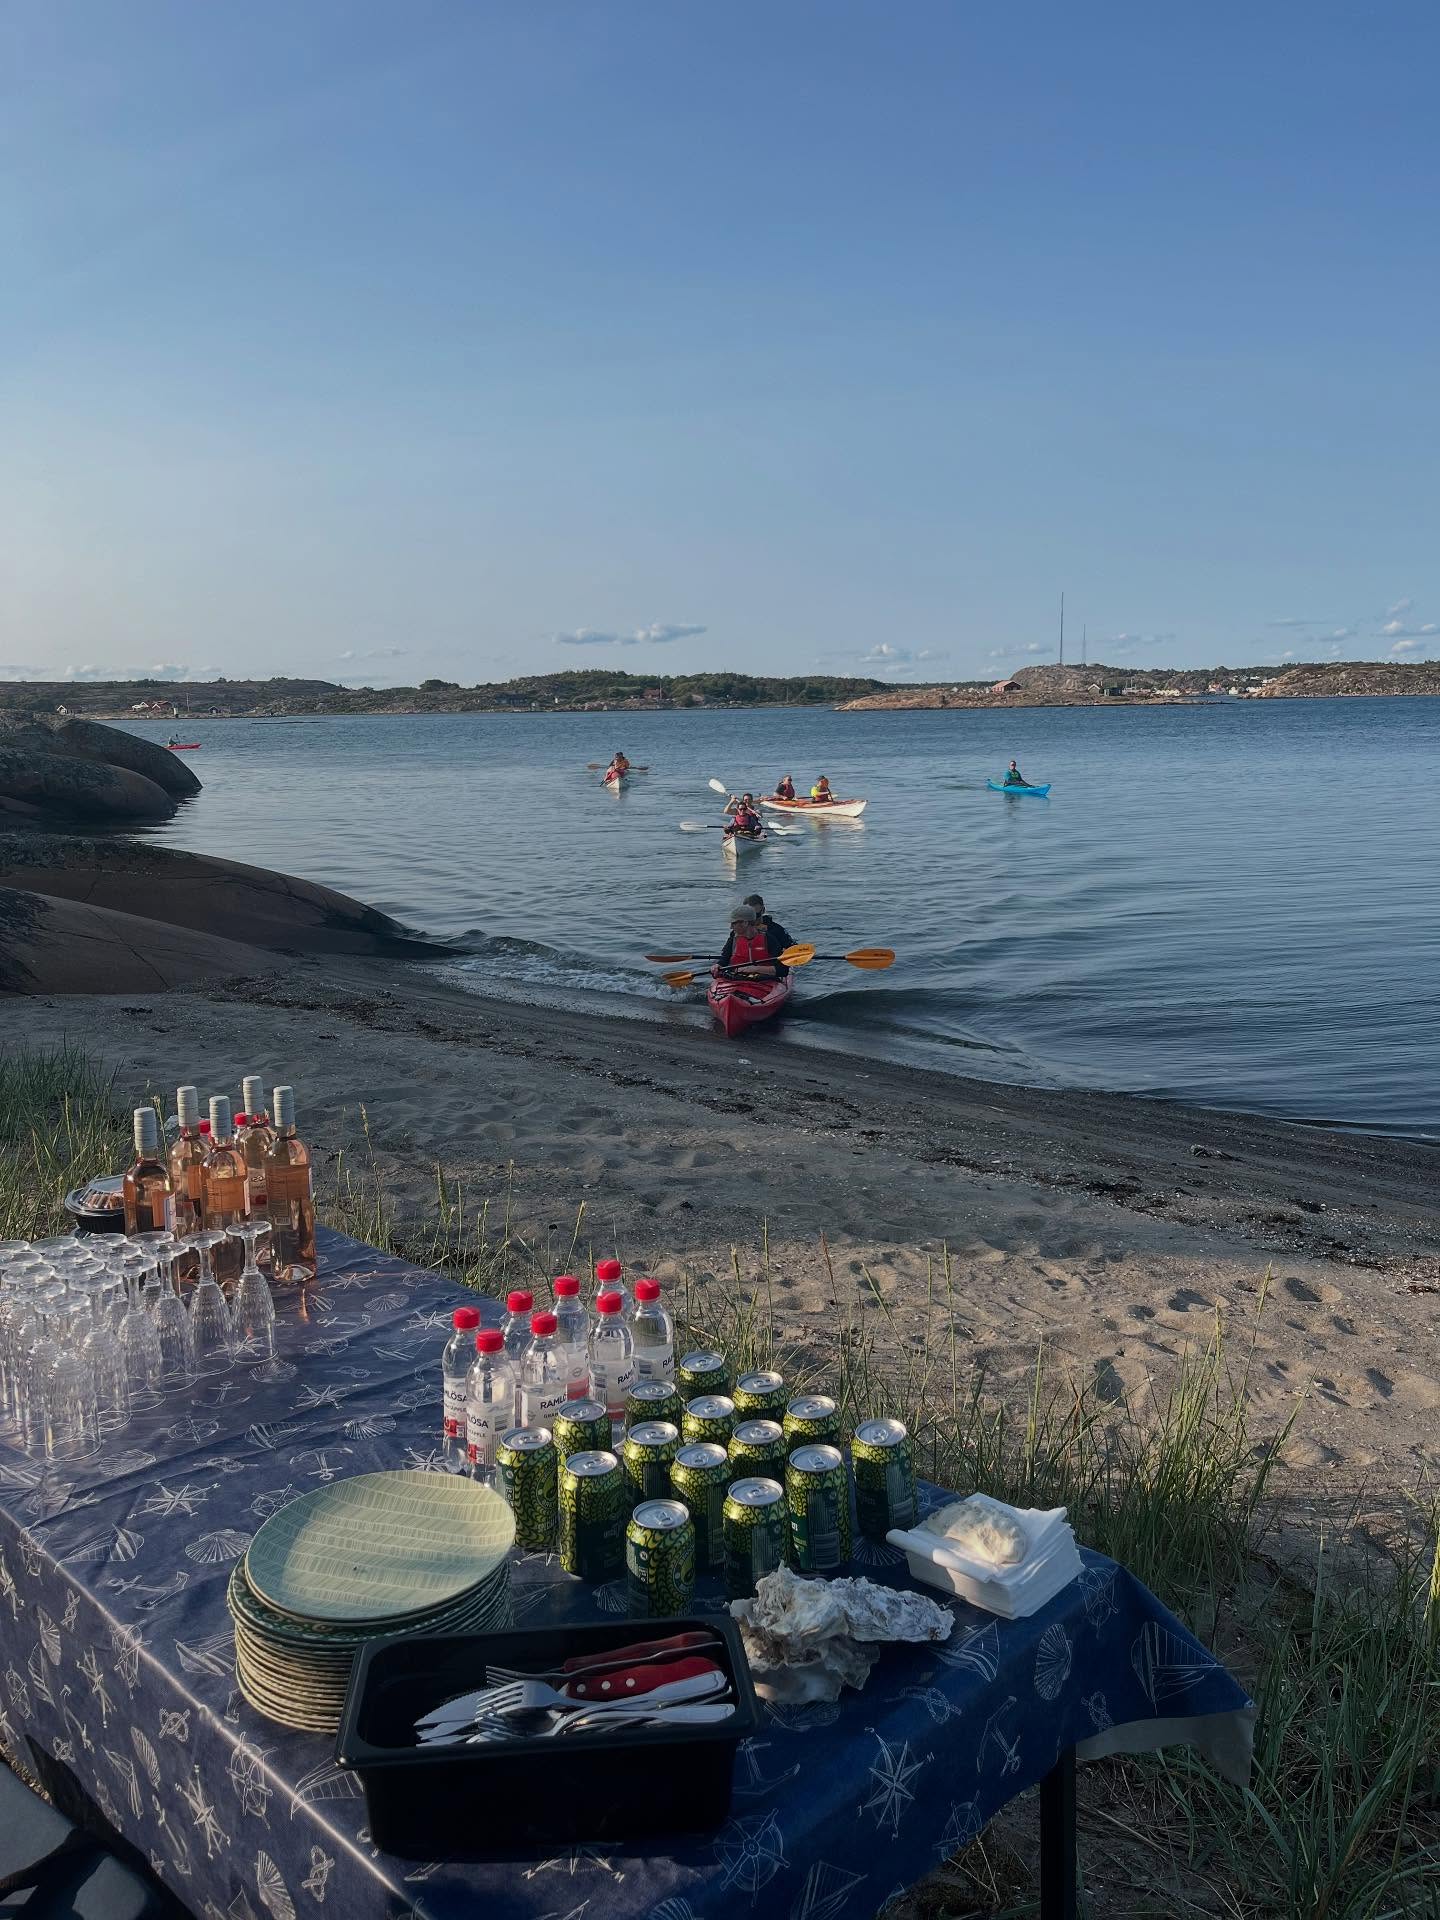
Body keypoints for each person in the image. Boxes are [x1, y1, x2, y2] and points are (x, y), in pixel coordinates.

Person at [717, 901, 789, 978]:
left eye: (734, 923)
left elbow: (783, 970)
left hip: (764, 981)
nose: (731, 927)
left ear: (745, 923)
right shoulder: (733, 939)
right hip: (735, 980)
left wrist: (754, 969)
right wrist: (717, 966)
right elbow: (723, 960)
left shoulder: (769, 939)